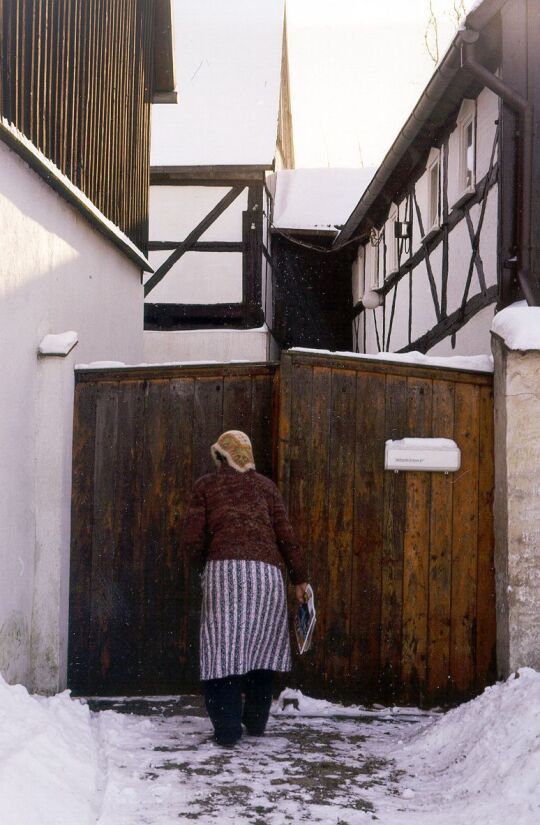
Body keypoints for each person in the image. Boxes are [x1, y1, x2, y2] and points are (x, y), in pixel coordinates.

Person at [181, 429, 308, 746]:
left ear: (221, 455)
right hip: (267, 578)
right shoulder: (267, 487)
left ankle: (226, 731)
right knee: (260, 650)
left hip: (225, 574)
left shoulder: (206, 486)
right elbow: (286, 536)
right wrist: (300, 579)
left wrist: (199, 566)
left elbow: (192, 540)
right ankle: (255, 723)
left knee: (221, 651)